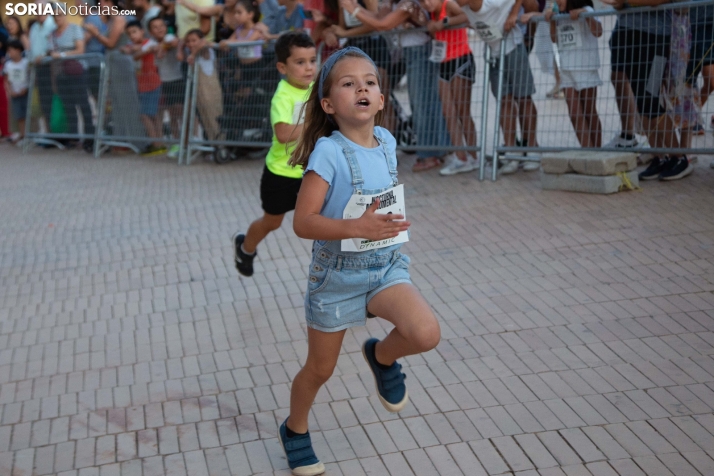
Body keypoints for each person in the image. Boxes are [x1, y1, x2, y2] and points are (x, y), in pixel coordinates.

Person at [277, 47, 440, 475]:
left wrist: (383, 225)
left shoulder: (386, 141)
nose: (362, 88)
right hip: (337, 278)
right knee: (320, 369)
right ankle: (295, 429)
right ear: (329, 105)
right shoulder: (327, 153)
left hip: (385, 266)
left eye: (369, 82)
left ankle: (382, 357)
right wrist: (357, 228)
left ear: (382, 99)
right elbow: (302, 222)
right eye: (348, 84)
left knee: (424, 333)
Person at [232, 31, 317, 277]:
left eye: (312, 60)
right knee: (272, 222)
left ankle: (340, 270)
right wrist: (318, 125)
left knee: (324, 217)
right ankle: (245, 247)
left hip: (310, 171)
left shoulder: (316, 89)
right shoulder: (283, 95)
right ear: (282, 67)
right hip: (281, 173)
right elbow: (282, 133)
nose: (309, 68)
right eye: (300, 62)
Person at [335, 0, 452, 172]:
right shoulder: (394, 4)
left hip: (420, 52)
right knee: (421, 103)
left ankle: (430, 154)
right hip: (411, 53)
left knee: (422, 104)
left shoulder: (409, 4)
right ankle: (435, 150)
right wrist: (356, 9)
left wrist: (353, 10)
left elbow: (383, 25)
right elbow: (377, 17)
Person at [602, 0, 691, 181]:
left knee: (651, 96)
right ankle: (659, 156)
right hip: (627, 30)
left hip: (656, 36)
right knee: (641, 97)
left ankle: (679, 157)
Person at [458, 0, 540, 174]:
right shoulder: (463, 7)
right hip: (493, 53)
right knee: (504, 101)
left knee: (524, 97)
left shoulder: (492, 2)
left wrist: (513, 14)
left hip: (513, 46)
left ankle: (532, 148)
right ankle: (511, 151)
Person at [425, 0, 480, 175]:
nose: (427, 3)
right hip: (444, 62)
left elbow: (467, 16)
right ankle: (460, 157)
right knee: (449, 113)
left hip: (461, 59)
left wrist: (445, 22)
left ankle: (473, 155)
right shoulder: (432, 12)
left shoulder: (448, 5)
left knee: (463, 112)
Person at [85, 0, 145, 150]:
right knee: (117, 104)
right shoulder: (111, 20)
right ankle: (122, 141)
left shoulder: (119, 18)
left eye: (103, 3)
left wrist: (95, 33)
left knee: (128, 102)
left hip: (121, 64)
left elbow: (111, 43)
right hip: (113, 63)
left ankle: (136, 141)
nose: (101, 6)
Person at [330, 0, 396, 133]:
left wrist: (346, 34)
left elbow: (374, 23)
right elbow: (342, 27)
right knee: (361, 101)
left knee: (380, 100)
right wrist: (331, 32)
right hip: (355, 49)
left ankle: (388, 144)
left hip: (375, 48)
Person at [546, 0, 602, 147]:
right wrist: (551, 21)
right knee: (574, 114)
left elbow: (598, 31)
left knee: (589, 111)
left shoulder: (587, 9)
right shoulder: (559, 14)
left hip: (586, 67)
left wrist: (586, 16)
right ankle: (587, 151)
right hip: (566, 68)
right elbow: (554, 38)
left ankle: (597, 151)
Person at [49, 10, 95, 149]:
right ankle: (74, 137)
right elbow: (51, 54)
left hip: (77, 71)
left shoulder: (75, 29)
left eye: (60, 15)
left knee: (83, 104)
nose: (58, 18)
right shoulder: (52, 34)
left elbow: (80, 50)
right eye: (55, 16)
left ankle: (90, 136)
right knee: (68, 106)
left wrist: (62, 54)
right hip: (61, 73)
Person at [124, 20, 166, 155]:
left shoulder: (149, 43)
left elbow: (139, 54)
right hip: (142, 85)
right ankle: (158, 142)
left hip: (152, 83)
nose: (132, 35)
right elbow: (126, 50)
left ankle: (156, 143)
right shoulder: (132, 46)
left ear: (142, 31)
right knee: (151, 115)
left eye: (134, 32)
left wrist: (139, 50)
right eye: (129, 33)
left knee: (147, 115)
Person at [149, 16, 185, 158]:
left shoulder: (169, 36)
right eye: (155, 27)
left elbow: (174, 42)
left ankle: (187, 140)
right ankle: (176, 142)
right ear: (151, 31)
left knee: (182, 111)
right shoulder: (151, 43)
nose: (159, 29)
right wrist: (158, 48)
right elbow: (150, 50)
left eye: (161, 25)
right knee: (172, 114)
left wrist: (163, 46)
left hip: (178, 79)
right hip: (165, 81)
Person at [185, 28, 224, 142]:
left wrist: (192, 54)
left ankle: (221, 143)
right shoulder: (193, 53)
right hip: (200, 92)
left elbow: (204, 44)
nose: (191, 43)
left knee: (214, 118)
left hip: (210, 90)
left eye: (194, 40)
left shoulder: (206, 50)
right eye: (188, 41)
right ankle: (213, 144)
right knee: (206, 119)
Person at [27, 4, 56, 133]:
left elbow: (54, 46)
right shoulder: (34, 27)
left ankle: (60, 133)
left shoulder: (53, 23)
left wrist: (44, 56)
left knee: (54, 100)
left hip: (51, 67)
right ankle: (49, 133)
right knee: (44, 102)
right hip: (38, 69)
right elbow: (31, 48)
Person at [3, 40, 29, 144]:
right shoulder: (8, 65)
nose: (9, 53)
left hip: (26, 93)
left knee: (28, 114)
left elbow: (30, 77)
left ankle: (29, 135)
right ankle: (22, 135)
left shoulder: (26, 62)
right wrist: (10, 91)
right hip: (14, 93)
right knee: (19, 116)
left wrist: (26, 88)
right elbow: (6, 79)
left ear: (18, 50)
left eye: (11, 50)